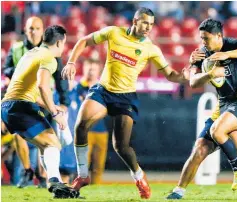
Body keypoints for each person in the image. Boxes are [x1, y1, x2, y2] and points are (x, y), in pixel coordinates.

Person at [61, 7, 187, 199]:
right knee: (80, 126)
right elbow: (84, 41)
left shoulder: (150, 48)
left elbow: (170, 74)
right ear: (135, 21)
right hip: (103, 91)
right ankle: (83, 175)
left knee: (121, 146)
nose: (148, 27)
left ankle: (139, 176)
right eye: (145, 22)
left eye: (151, 24)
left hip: (125, 97)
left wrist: (183, 76)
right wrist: (71, 62)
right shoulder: (114, 32)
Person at [167, 18, 237, 200]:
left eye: (205, 38)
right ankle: (179, 191)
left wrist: (227, 55)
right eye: (201, 38)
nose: (203, 42)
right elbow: (193, 82)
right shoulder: (202, 54)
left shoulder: (235, 48)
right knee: (202, 148)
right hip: (223, 108)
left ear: (218, 36)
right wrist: (209, 74)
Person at [1, 25, 78, 199]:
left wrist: (49, 106)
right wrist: (56, 113)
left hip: (8, 107)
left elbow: (28, 89)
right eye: (64, 43)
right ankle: (55, 182)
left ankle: (55, 183)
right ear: (59, 42)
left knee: (46, 144)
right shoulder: (49, 58)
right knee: (53, 144)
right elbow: (43, 85)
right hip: (21, 107)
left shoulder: (31, 53)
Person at [75, 59, 109, 184]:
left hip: (101, 130)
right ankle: (81, 185)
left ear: (98, 71)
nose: (91, 72)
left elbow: (107, 108)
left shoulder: (103, 88)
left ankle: (97, 187)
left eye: (93, 69)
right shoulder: (79, 87)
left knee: (99, 164)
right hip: (85, 131)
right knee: (84, 162)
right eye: (89, 68)